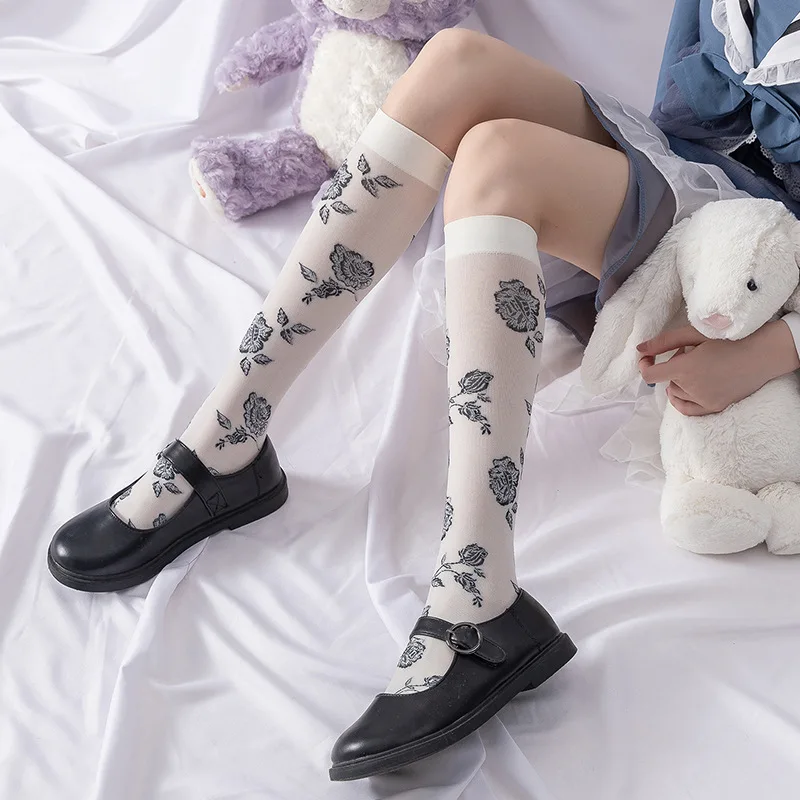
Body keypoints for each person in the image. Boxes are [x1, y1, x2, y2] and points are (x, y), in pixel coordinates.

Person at [47, 0, 800, 782]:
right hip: (729, 206)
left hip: (778, 283)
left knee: (502, 163)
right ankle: (227, 436)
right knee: (453, 63)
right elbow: (695, 122)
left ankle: (478, 591)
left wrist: (770, 349)